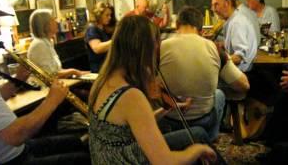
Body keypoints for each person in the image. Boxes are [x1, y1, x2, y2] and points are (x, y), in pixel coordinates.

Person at [88, 15, 219, 165]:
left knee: (197, 134)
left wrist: (166, 109)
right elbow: (165, 161)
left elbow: (125, 125)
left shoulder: (101, 81)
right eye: (156, 44)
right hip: (131, 159)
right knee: (198, 139)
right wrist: (197, 150)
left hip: (111, 157)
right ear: (145, 49)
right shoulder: (130, 96)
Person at [0, 1, 90, 164]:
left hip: (17, 149)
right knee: (83, 158)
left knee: (79, 142)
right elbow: (15, 135)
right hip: (10, 158)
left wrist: (17, 80)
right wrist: (52, 101)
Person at [158, 6, 250, 142]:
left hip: (168, 120)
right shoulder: (215, 49)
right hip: (202, 121)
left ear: (177, 25)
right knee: (219, 94)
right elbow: (244, 86)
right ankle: (209, 138)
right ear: (201, 30)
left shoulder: (159, 47)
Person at [27, 9, 89, 78]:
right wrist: (73, 71)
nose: (56, 22)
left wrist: (80, 73)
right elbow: (50, 74)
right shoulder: (39, 44)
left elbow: (57, 70)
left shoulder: (47, 42)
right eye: (53, 20)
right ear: (45, 25)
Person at [212, 0, 258, 72]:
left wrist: (214, 62)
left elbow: (238, 57)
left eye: (216, 5)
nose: (213, 9)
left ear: (227, 3)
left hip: (242, 73)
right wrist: (220, 45)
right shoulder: (232, 20)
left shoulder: (236, 23)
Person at [85, 2, 114, 73]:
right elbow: (97, 48)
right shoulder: (92, 28)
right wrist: (115, 40)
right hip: (99, 69)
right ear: (99, 15)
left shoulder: (103, 28)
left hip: (107, 66)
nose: (109, 17)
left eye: (110, 15)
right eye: (107, 15)